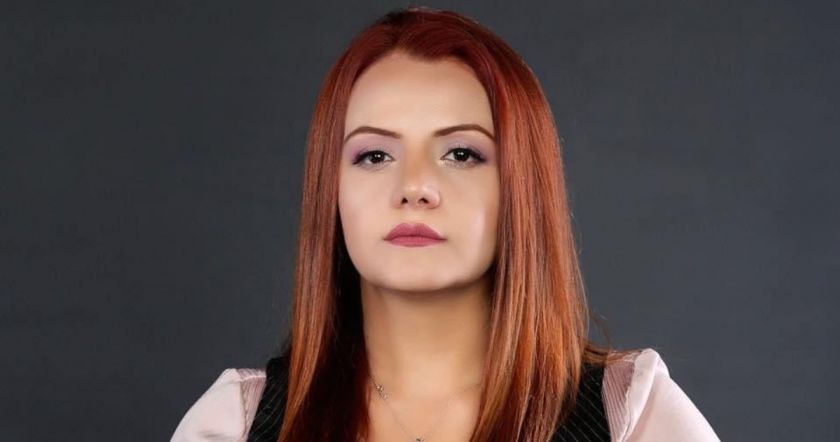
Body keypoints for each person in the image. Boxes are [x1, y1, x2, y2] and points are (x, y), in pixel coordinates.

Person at [171, 6, 720, 442]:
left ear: (521, 188)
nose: (414, 187)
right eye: (374, 155)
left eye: (461, 154)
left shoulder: (632, 418)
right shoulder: (236, 425)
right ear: (329, 189)